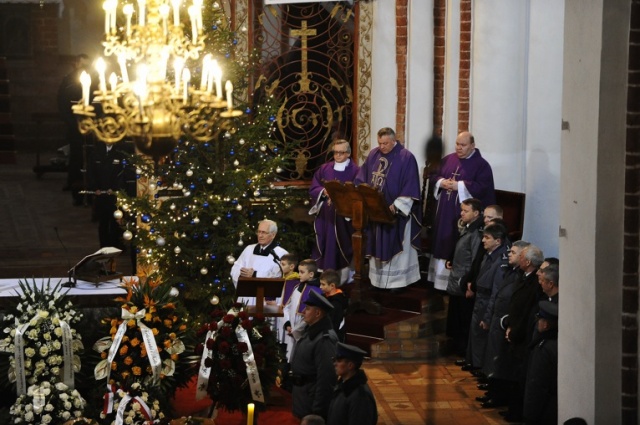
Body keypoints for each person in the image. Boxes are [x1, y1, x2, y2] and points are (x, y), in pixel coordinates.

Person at [354, 127, 422, 290]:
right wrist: (363, 197)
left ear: (394, 141)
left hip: (396, 214)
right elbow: (361, 177)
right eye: (380, 143)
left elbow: (410, 185)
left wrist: (396, 206)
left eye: (385, 143)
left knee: (397, 246)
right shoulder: (373, 154)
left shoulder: (406, 157)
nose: (382, 146)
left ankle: (397, 283)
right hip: (375, 212)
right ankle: (377, 281)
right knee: (376, 243)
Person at [428, 131, 496, 291]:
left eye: (463, 145)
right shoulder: (448, 159)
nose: (459, 148)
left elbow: (483, 188)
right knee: (443, 239)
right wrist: (442, 182)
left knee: (456, 242)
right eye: (457, 144)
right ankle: (438, 282)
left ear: (473, 145)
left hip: (463, 214)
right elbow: (433, 175)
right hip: (445, 211)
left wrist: (458, 186)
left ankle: (455, 283)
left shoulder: (482, 165)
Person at [477, 240, 530, 408]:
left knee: (502, 361)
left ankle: (498, 395)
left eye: (514, 253)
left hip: (506, 321)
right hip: (497, 319)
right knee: (494, 357)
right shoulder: (508, 271)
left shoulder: (520, 277)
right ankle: (493, 390)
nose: (509, 254)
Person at [501, 244, 545, 422]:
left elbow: (526, 311)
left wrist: (514, 330)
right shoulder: (523, 277)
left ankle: (517, 412)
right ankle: (512, 409)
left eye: (521, 256)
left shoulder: (534, 284)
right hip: (514, 329)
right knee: (513, 373)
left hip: (522, 336)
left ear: (527, 261)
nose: (517, 258)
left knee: (520, 377)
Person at [309, 139, 360, 283]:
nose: (337, 155)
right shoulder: (324, 169)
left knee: (341, 245)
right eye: (335, 152)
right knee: (325, 242)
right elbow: (314, 187)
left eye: (341, 152)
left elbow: (356, 191)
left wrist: (339, 197)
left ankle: (343, 278)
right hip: (326, 215)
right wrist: (324, 192)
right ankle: (325, 278)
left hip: (343, 217)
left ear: (348, 153)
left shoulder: (356, 171)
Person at [465, 223, 509, 371]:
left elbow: (496, 291)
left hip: (487, 301)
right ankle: (473, 362)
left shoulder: (500, 260)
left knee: (482, 336)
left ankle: (480, 367)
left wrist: (488, 317)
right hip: (480, 299)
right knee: (475, 334)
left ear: (498, 241)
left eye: (487, 238)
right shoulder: (488, 255)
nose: (483, 240)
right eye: (483, 237)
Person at [290, 290, 338, 420]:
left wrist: (318, 411)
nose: (304, 311)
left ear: (318, 313)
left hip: (311, 400)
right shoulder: (311, 330)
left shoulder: (324, 339)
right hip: (303, 395)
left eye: (308, 308)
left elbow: (326, 377)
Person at [446, 198, 484, 358]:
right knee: (455, 316)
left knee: (463, 318)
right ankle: (456, 345)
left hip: (464, 281)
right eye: (461, 210)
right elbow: (459, 247)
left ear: (476, 213)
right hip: (457, 279)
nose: (461, 213)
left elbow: (475, 259)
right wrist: (451, 258)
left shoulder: (476, 233)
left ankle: (462, 350)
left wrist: (470, 283)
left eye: (465, 211)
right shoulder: (467, 228)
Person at [230, 219, 288, 306]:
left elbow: (278, 276)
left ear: (273, 235)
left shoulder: (281, 253)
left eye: (264, 232)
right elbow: (235, 267)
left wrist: (255, 274)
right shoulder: (249, 249)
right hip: (247, 296)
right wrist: (242, 273)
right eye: (259, 232)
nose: (260, 235)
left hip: (266, 300)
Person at [57, 54, 90, 206]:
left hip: (92, 125)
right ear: (76, 64)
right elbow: (63, 103)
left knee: (90, 156)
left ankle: (89, 186)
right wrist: (71, 122)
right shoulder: (68, 81)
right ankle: (74, 183)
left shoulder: (93, 81)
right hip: (74, 123)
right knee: (76, 155)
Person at [86, 141, 132, 249]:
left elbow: (122, 174)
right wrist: (95, 188)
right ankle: (104, 245)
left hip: (115, 194)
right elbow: (91, 172)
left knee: (117, 221)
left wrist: (116, 188)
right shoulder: (96, 153)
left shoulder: (120, 153)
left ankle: (116, 245)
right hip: (101, 194)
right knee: (103, 222)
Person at [523, 301, 558, 425]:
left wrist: (529, 416)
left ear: (546, 325)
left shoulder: (543, 348)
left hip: (544, 410)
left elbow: (536, 384)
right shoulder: (558, 343)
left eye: (540, 319)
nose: (538, 322)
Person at [326, 342, 378, 425]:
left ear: (350, 365)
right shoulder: (342, 386)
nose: (335, 364)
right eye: (334, 360)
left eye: (339, 361)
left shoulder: (360, 396)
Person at [282, 259, 321, 363]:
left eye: (302, 272)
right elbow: (286, 307)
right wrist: (287, 323)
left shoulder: (316, 291)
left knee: (301, 358)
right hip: (291, 328)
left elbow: (311, 315)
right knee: (289, 356)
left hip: (303, 330)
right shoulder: (296, 287)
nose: (299, 275)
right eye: (298, 271)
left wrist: (296, 330)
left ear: (311, 274)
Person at [319, 269, 349, 341]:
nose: (320, 287)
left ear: (332, 285)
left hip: (331, 338)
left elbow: (333, 325)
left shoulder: (337, 303)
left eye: (323, 284)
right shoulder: (324, 297)